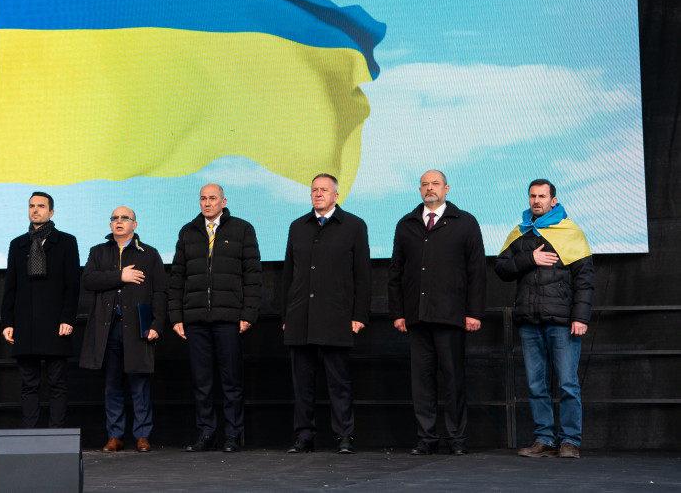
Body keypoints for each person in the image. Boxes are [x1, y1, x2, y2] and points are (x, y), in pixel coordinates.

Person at [388, 170, 486, 456]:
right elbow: (396, 272)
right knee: (421, 382)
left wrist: (474, 312)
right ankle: (426, 438)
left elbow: (477, 271)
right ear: (419, 190)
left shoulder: (465, 222)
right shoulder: (406, 224)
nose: (429, 188)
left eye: (435, 184)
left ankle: (457, 439)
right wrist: (398, 312)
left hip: (452, 316)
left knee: (453, 379)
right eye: (424, 184)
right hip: (416, 316)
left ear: (447, 188)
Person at [495, 179, 594, 459]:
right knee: (536, 385)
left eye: (542, 196)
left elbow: (585, 279)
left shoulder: (570, 232)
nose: (536, 200)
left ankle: (570, 441)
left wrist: (581, 317)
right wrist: (530, 259)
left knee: (567, 383)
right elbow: (501, 269)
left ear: (553, 200)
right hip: (529, 321)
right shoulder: (520, 232)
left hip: (563, 322)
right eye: (532, 196)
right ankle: (544, 440)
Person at [281, 173, 371, 454]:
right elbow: (288, 275)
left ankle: (344, 435)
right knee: (302, 383)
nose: (318, 194)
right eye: (314, 190)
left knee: (339, 382)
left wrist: (359, 315)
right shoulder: (298, 226)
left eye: (324, 190)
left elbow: (363, 276)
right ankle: (304, 436)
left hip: (336, 316)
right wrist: (286, 315)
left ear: (336, 195)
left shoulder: (354, 225)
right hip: (300, 316)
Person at [168, 183, 261, 453]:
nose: (207, 203)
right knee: (202, 382)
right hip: (195, 319)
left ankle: (232, 435)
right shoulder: (188, 231)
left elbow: (253, 276)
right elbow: (177, 277)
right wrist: (176, 316)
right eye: (203, 199)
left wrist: (249, 313)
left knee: (232, 381)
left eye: (212, 198)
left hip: (229, 318)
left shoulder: (242, 229)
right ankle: (206, 433)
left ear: (223, 201)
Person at [79, 206, 167, 453]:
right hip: (107, 329)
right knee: (112, 384)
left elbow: (160, 292)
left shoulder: (148, 254)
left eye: (124, 218)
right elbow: (88, 280)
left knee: (139, 383)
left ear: (134, 225)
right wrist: (121, 276)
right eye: (114, 218)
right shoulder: (98, 252)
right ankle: (115, 436)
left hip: (137, 327)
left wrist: (157, 325)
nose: (119, 222)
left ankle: (142, 435)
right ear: (110, 226)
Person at [1, 192, 80, 428]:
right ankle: (30, 433)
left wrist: (68, 318)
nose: (35, 210)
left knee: (57, 382)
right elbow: (10, 286)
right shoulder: (18, 244)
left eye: (41, 206)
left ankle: (56, 433)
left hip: (56, 323)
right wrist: (8, 322)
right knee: (29, 383)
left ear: (51, 212)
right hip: (25, 323)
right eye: (32, 206)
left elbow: (72, 285)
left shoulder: (66, 242)